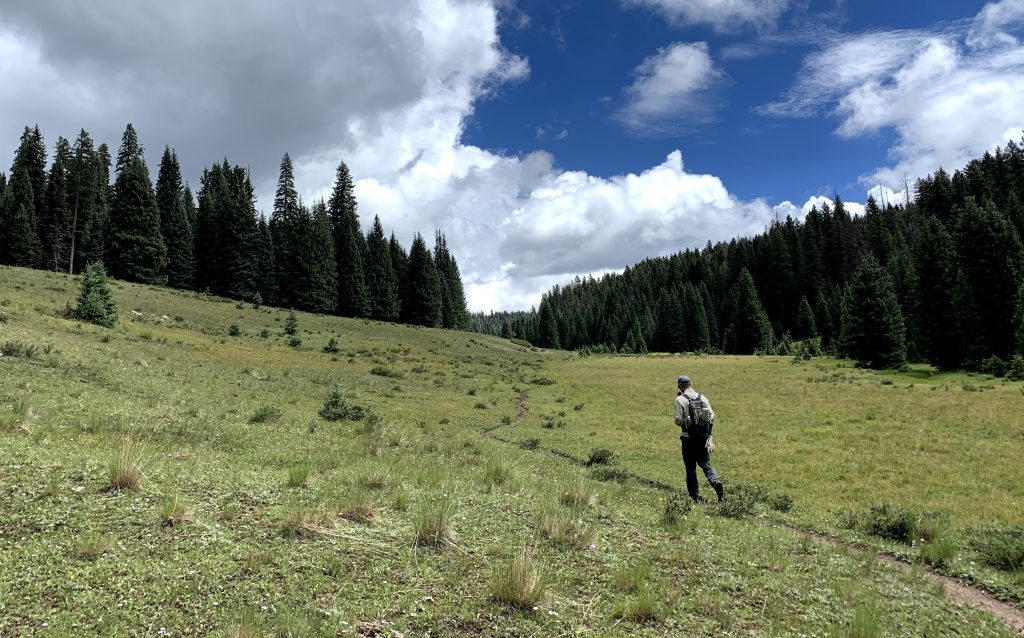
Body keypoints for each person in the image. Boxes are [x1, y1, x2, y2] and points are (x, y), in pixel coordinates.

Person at [674, 374, 724, 503]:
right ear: (691, 384)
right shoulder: (702, 398)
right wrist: (704, 431)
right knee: (706, 464)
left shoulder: (680, 399)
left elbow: (678, 421)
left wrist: (686, 422)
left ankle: (695, 497)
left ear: (679, 386)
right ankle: (716, 482)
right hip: (703, 438)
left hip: (688, 439)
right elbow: (710, 417)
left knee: (690, 468)